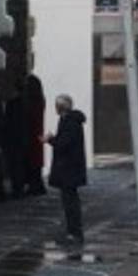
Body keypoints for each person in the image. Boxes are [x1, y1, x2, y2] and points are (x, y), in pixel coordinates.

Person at [45, 94, 88, 245]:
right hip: (69, 168)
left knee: (70, 202)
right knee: (69, 201)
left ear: (60, 107)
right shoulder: (69, 120)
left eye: (56, 106)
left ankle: (74, 233)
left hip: (69, 168)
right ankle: (72, 232)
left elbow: (64, 144)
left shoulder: (69, 122)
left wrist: (50, 139)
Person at [2, 76, 30, 199]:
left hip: (13, 138)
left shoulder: (13, 104)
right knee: (18, 165)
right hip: (19, 138)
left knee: (15, 165)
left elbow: (9, 122)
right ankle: (18, 188)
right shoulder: (23, 103)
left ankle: (17, 189)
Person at [24, 75, 48, 196]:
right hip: (37, 133)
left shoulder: (33, 101)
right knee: (35, 162)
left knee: (33, 161)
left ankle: (35, 186)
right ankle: (36, 185)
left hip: (32, 133)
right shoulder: (40, 100)